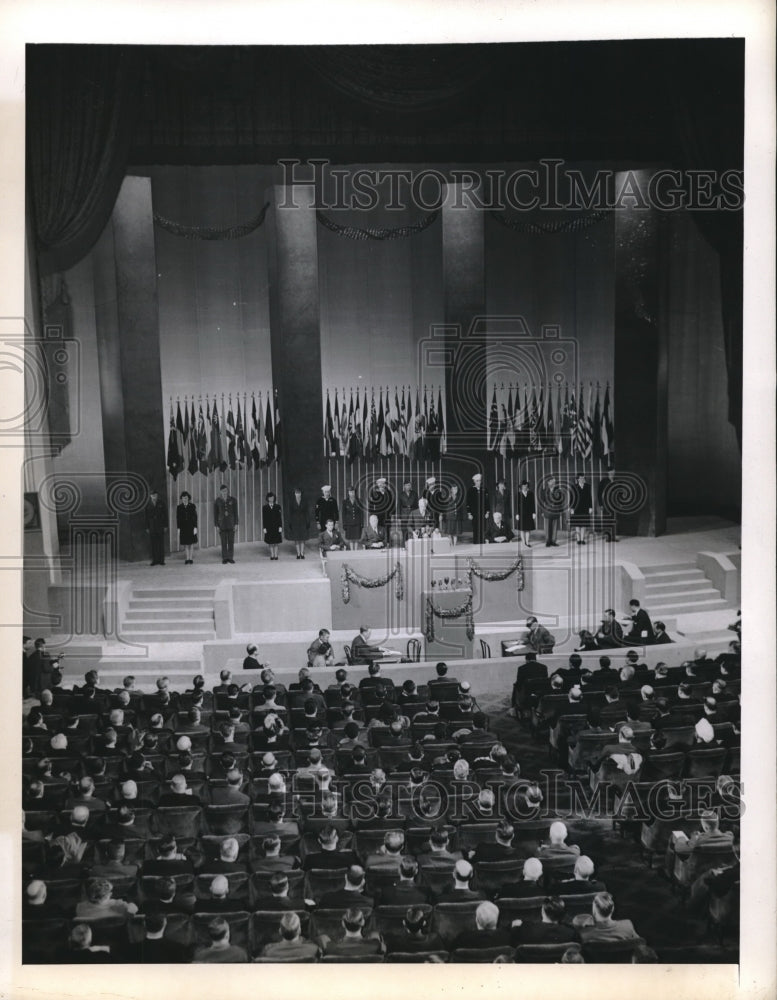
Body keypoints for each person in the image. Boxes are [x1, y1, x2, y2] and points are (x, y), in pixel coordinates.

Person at [214, 484, 238, 564]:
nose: (225, 492)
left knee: (231, 541)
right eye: (223, 491)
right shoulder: (217, 501)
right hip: (222, 525)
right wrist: (216, 525)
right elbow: (215, 514)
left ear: (228, 491)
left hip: (231, 524)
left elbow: (235, 513)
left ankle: (230, 557)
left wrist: (236, 524)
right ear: (220, 492)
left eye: (226, 491)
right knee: (223, 542)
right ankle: (225, 558)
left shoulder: (233, 500)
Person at [145, 488, 167, 566]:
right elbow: (146, 517)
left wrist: (165, 526)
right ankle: (155, 560)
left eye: (155, 495)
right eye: (152, 495)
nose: (154, 496)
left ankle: (161, 560)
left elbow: (165, 515)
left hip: (160, 526)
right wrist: (147, 527)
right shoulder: (148, 505)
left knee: (161, 544)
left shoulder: (161, 503)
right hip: (152, 527)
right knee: (153, 544)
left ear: (157, 495)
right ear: (150, 496)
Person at [466, 472, 490, 544]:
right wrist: (469, 513)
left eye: (479, 481)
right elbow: (468, 503)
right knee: (475, 528)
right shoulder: (470, 490)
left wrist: (487, 512)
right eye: (477, 481)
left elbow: (487, 502)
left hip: (483, 513)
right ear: (474, 481)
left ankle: (482, 542)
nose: (479, 482)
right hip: (474, 513)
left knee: (482, 528)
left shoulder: (484, 489)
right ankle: (476, 543)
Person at [539, 474, 563, 547]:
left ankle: (553, 541)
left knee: (554, 526)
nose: (553, 483)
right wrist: (542, 511)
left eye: (554, 482)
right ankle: (548, 541)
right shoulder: (544, 491)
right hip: (547, 511)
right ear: (548, 482)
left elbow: (561, 501)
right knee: (547, 526)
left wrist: (560, 511)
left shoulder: (558, 490)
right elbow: (541, 502)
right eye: (551, 482)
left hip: (555, 510)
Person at [597, 468, 620, 542]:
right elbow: (599, 493)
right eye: (612, 472)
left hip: (614, 504)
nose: (613, 473)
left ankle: (613, 537)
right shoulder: (603, 481)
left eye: (614, 472)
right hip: (606, 504)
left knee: (613, 520)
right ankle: (607, 537)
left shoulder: (615, 481)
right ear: (608, 472)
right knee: (606, 520)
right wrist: (601, 504)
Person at [176, 490, 198, 565]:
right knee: (185, 543)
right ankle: (187, 558)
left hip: (191, 527)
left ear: (188, 498)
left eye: (186, 498)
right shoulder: (179, 507)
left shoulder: (192, 506)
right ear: (181, 499)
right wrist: (178, 528)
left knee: (191, 543)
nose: (185, 499)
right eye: (183, 498)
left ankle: (191, 558)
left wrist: (195, 527)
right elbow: (178, 518)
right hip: (183, 528)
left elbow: (195, 517)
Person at [570, 473, 592, 544]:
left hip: (585, 508)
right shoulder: (574, 487)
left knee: (583, 524)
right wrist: (571, 508)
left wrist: (590, 507)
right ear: (578, 479)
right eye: (581, 478)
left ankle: (582, 539)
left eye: (583, 478)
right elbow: (572, 498)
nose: (582, 479)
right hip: (577, 508)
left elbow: (589, 498)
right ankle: (578, 540)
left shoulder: (588, 486)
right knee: (577, 524)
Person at [287, 487, 310, 559]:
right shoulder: (291, 501)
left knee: (302, 538)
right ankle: (298, 553)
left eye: (299, 493)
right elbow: (290, 513)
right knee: (296, 538)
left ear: (301, 494)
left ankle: (302, 553)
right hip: (294, 522)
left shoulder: (304, 501)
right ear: (294, 494)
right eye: (296, 493)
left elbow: (307, 512)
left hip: (303, 521)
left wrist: (307, 521)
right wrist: (290, 522)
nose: (298, 494)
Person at [262, 491, 283, 561]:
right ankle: (272, 554)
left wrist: (280, 527)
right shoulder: (264, 507)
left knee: (276, 542)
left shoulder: (278, 507)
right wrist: (264, 528)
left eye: (273, 497)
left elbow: (280, 518)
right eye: (270, 498)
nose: (271, 499)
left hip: (276, 527)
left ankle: (276, 555)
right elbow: (264, 518)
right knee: (270, 542)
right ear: (267, 499)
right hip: (269, 527)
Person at [341, 486, 363, 551]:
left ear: (355, 492)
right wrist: (344, 524)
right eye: (350, 492)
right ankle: (351, 550)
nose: (352, 493)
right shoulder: (345, 502)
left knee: (356, 538)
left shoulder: (359, 501)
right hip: (349, 523)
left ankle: (355, 551)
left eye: (353, 492)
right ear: (348, 493)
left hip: (357, 522)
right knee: (350, 539)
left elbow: (361, 513)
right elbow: (343, 514)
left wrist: (362, 523)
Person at [515, 480, 536, 546]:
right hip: (521, 514)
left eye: (526, 486)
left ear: (527, 486)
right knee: (522, 529)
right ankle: (523, 542)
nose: (525, 487)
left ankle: (527, 542)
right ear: (521, 487)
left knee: (528, 529)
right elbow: (516, 505)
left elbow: (533, 504)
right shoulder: (518, 494)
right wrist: (517, 514)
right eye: (523, 486)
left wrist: (534, 513)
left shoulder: (531, 494)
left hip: (529, 514)